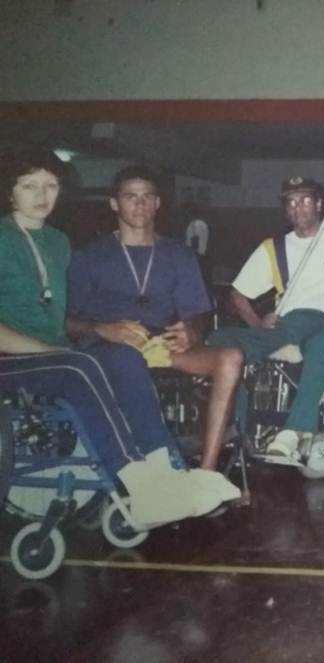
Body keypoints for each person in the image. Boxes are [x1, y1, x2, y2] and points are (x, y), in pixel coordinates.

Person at [0, 148, 237, 529]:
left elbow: (58, 315)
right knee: (81, 364)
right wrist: (65, 344)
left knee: (122, 359)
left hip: (57, 355)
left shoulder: (58, 243)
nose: (42, 195)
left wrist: (189, 328)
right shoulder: (13, 240)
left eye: (50, 185)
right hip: (15, 359)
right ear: (9, 193)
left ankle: (167, 472)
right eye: (29, 186)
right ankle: (139, 486)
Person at [66, 165, 244, 472]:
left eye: (148, 196)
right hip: (107, 349)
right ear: (114, 203)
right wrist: (101, 329)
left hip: (159, 347)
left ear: (158, 203)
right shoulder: (89, 257)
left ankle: (207, 471)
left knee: (231, 356)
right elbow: (64, 321)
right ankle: (157, 465)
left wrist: (192, 331)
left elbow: (197, 315)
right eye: (130, 196)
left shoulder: (179, 255)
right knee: (125, 357)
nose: (140, 204)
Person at [208, 172, 324, 460]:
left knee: (318, 331)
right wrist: (256, 323)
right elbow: (238, 295)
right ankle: (248, 424)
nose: (297, 207)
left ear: (319, 204)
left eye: (304, 200)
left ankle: (292, 430)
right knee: (220, 340)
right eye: (291, 202)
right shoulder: (274, 249)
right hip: (290, 331)